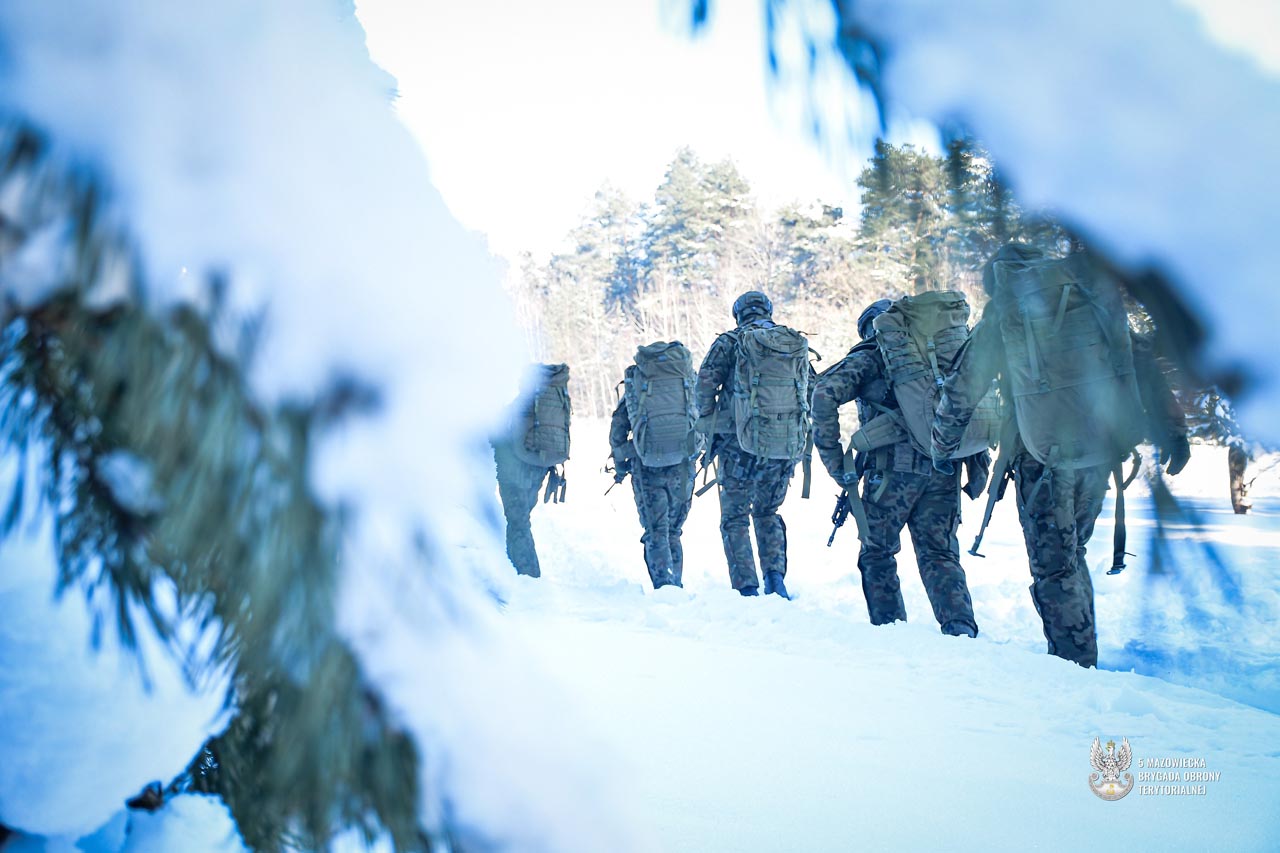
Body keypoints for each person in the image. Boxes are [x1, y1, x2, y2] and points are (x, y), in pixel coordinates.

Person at [932, 243, 1190, 667]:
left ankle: (1075, 666)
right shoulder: (1089, 299)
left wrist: (941, 447)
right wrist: (1175, 430)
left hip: (1041, 460)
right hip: (1099, 453)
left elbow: (963, 386)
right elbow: (1140, 361)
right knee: (1072, 554)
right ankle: (1081, 654)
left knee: (1054, 567)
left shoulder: (1005, 313)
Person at [812, 298, 982, 636]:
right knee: (940, 552)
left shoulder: (870, 357)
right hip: (943, 466)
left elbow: (823, 393)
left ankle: (891, 632)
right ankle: (960, 627)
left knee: (877, 553)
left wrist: (835, 463)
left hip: (890, 474)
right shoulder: (939, 355)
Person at [696, 291, 810, 598]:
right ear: (768, 311)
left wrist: (709, 425)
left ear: (738, 314)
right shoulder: (790, 343)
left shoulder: (729, 342)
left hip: (737, 446)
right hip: (781, 444)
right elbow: (809, 388)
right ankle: (775, 580)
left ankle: (746, 588)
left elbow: (704, 386)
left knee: (735, 517)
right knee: (767, 512)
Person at [609, 341, 700, 590]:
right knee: (673, 530)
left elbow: (619, 424)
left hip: (647, 466)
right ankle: (675, 584)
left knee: (656, 530)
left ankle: (665, 586)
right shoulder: (687, 378)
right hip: (683, 463)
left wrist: (620, 460)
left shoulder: (638, 381)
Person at [492, 363, 571, 578]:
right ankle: (521, 573)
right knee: (521, 519)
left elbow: (502, 430)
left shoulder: (524, 400)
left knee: (517, 522)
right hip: (540, 466)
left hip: (520, 466)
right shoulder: (556, 395)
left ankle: (527, 576)